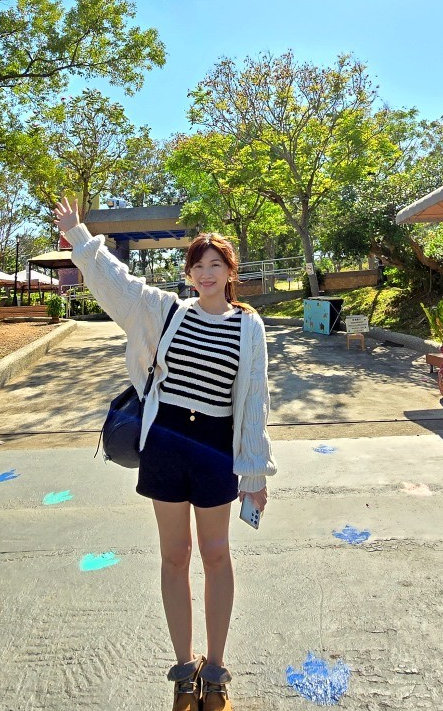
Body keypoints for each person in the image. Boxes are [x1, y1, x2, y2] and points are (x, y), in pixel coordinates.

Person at [54, 197, 276, 711]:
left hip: (216, 448)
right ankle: (184, 671)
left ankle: (216, 670)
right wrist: (80, 239)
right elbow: (120, 286)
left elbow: (255, 400)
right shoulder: (167, 311)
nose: (205, 273)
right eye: (197, 266)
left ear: (230, 272)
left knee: (216, 555)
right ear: (189, 272)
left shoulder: (249, 326)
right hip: (167, 444)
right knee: (174, 557)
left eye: (215, 265)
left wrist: (255, 472)